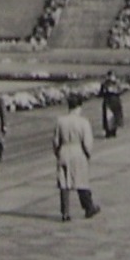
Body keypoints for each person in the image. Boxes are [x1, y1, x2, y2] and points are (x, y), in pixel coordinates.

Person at [52, 94, 101, 222]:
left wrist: (57, 152)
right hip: (78, 151)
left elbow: (56, 141)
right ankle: (88, 207)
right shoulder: (83, 122)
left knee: (64, 183)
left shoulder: (60, 121)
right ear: (79, 106)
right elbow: (87, 142)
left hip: (64, 150)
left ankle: (65, 212)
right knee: (81, 181)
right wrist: (88, 153)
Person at [100, 71, 125, 137]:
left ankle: (113, 131)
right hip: (109, 101)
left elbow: (121, 91)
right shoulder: (105, 84)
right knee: (108, 117)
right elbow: (101, 93)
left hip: (114, 101)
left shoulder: (116, 83)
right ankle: (109, 131)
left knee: (115, 116)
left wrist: (114, 90)